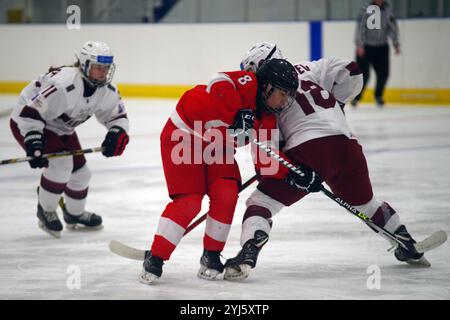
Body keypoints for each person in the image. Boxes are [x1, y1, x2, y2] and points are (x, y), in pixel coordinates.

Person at [223, 42, 426, 281]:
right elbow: (351, 70)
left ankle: (248, 252)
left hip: (309, 149)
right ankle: (404, 240)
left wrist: (291, 172)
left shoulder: (267, 96)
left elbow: (268, 158)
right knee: (367, 205)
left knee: (261, 203)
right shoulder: (310, 69)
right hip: (347, 145)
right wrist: (336, 108)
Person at [140, 58, 299, 284]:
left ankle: (211, 256)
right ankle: (156, 258)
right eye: (282, 93)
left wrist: (295, 174)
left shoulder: (267, 118)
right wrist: (236, 112)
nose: (284, 101)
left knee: (226, 193)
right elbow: (219, 83)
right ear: (267, 86)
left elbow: (268, 162)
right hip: (185, 135)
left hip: (218, 146)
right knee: (189, 202)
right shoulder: (249, 83)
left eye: (288, 96)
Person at [10, 41, 130, 238]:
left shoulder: (106, 90)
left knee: (82, 174)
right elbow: (30, 113)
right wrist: (34, 141)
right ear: (84, 65)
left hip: (61, 127)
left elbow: (117, 117)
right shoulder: (65, 84)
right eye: (98, 67)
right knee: (61, 165)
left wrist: (116, 133)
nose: (103, 72)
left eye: (106, 68)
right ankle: (46, 209)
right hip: (29, 120)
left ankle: (74, 214)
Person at [352, 0, 400, 107]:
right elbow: (360, 28)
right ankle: (357, 97)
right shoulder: (366, 9)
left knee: (383, 74)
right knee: (363, 75)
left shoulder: (388, 10)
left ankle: (378, 96)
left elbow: (392, 27)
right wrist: (360, 45)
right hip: (366, 47)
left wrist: (395, 43)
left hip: (382, 47)